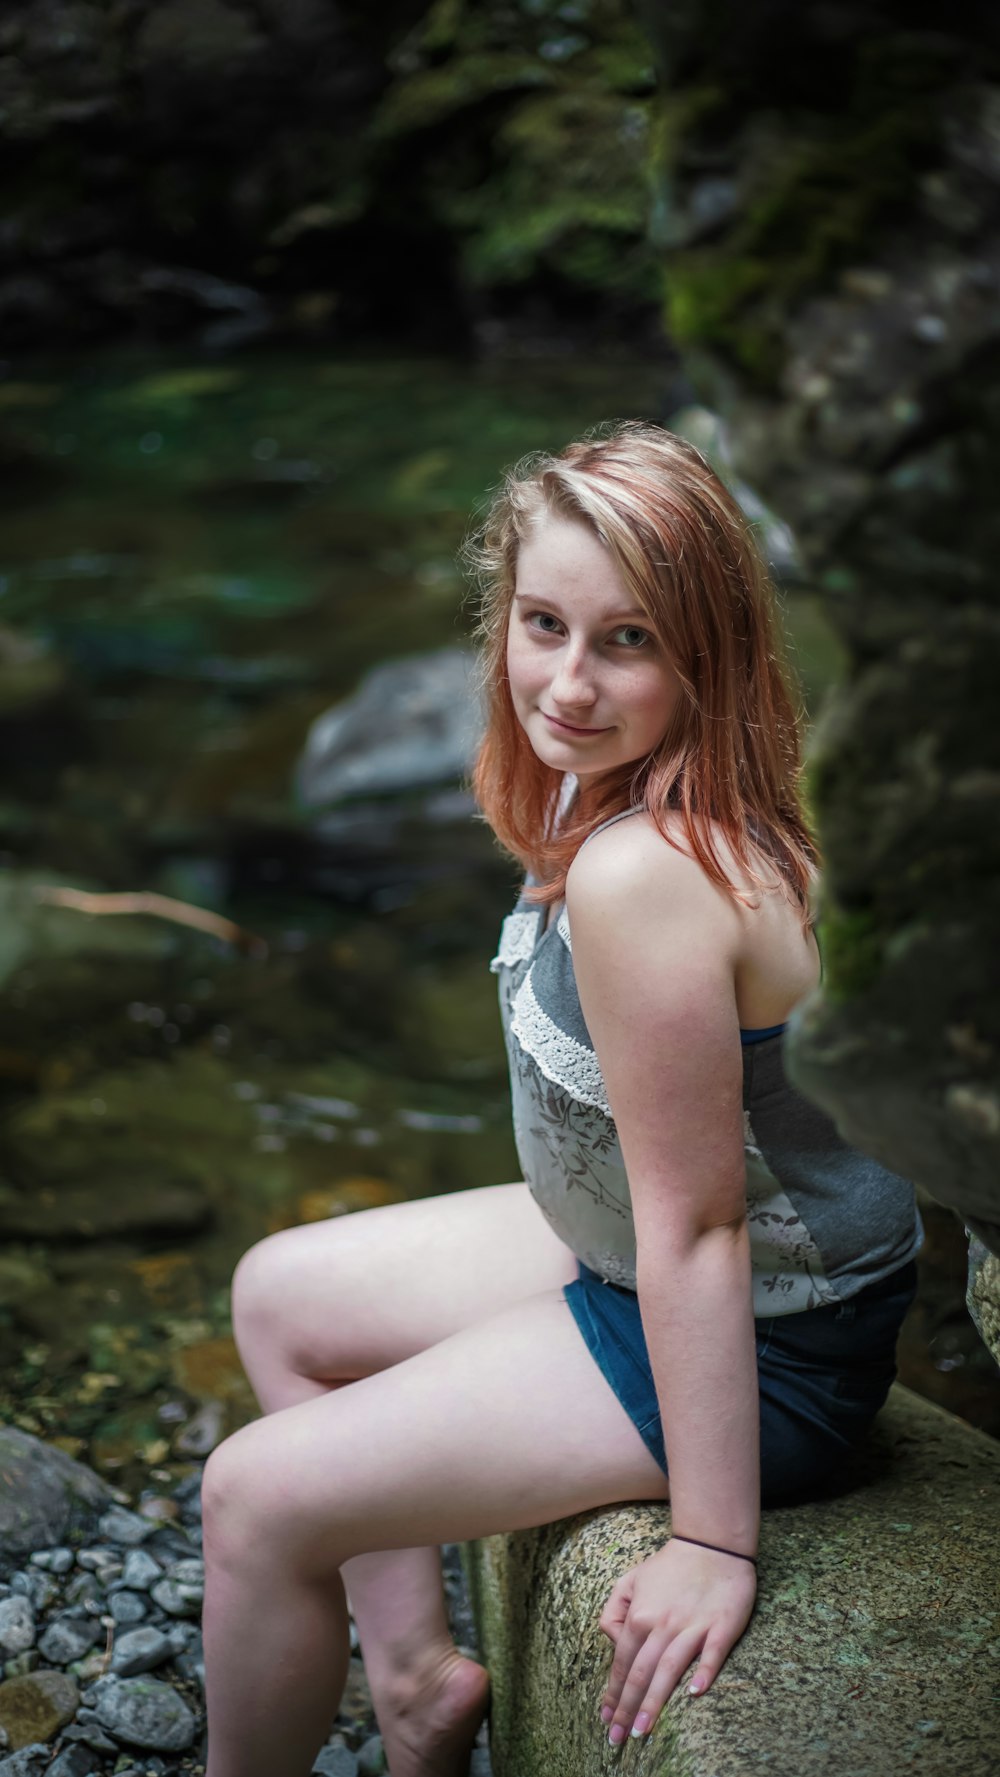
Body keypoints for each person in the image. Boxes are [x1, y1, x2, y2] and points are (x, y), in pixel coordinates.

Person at [200, 423, 921, 1777]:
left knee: (251, 1495)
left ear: (706, 654)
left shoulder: (648, 872)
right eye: (544, 623)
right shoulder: (608, 794)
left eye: (628, 641)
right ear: (502, 616)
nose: (568, 683)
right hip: (641, 1249)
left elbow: (699, 1227)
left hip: (769, 1334)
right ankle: (413, 1683)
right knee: (279, 1298)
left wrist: (714, 1541)